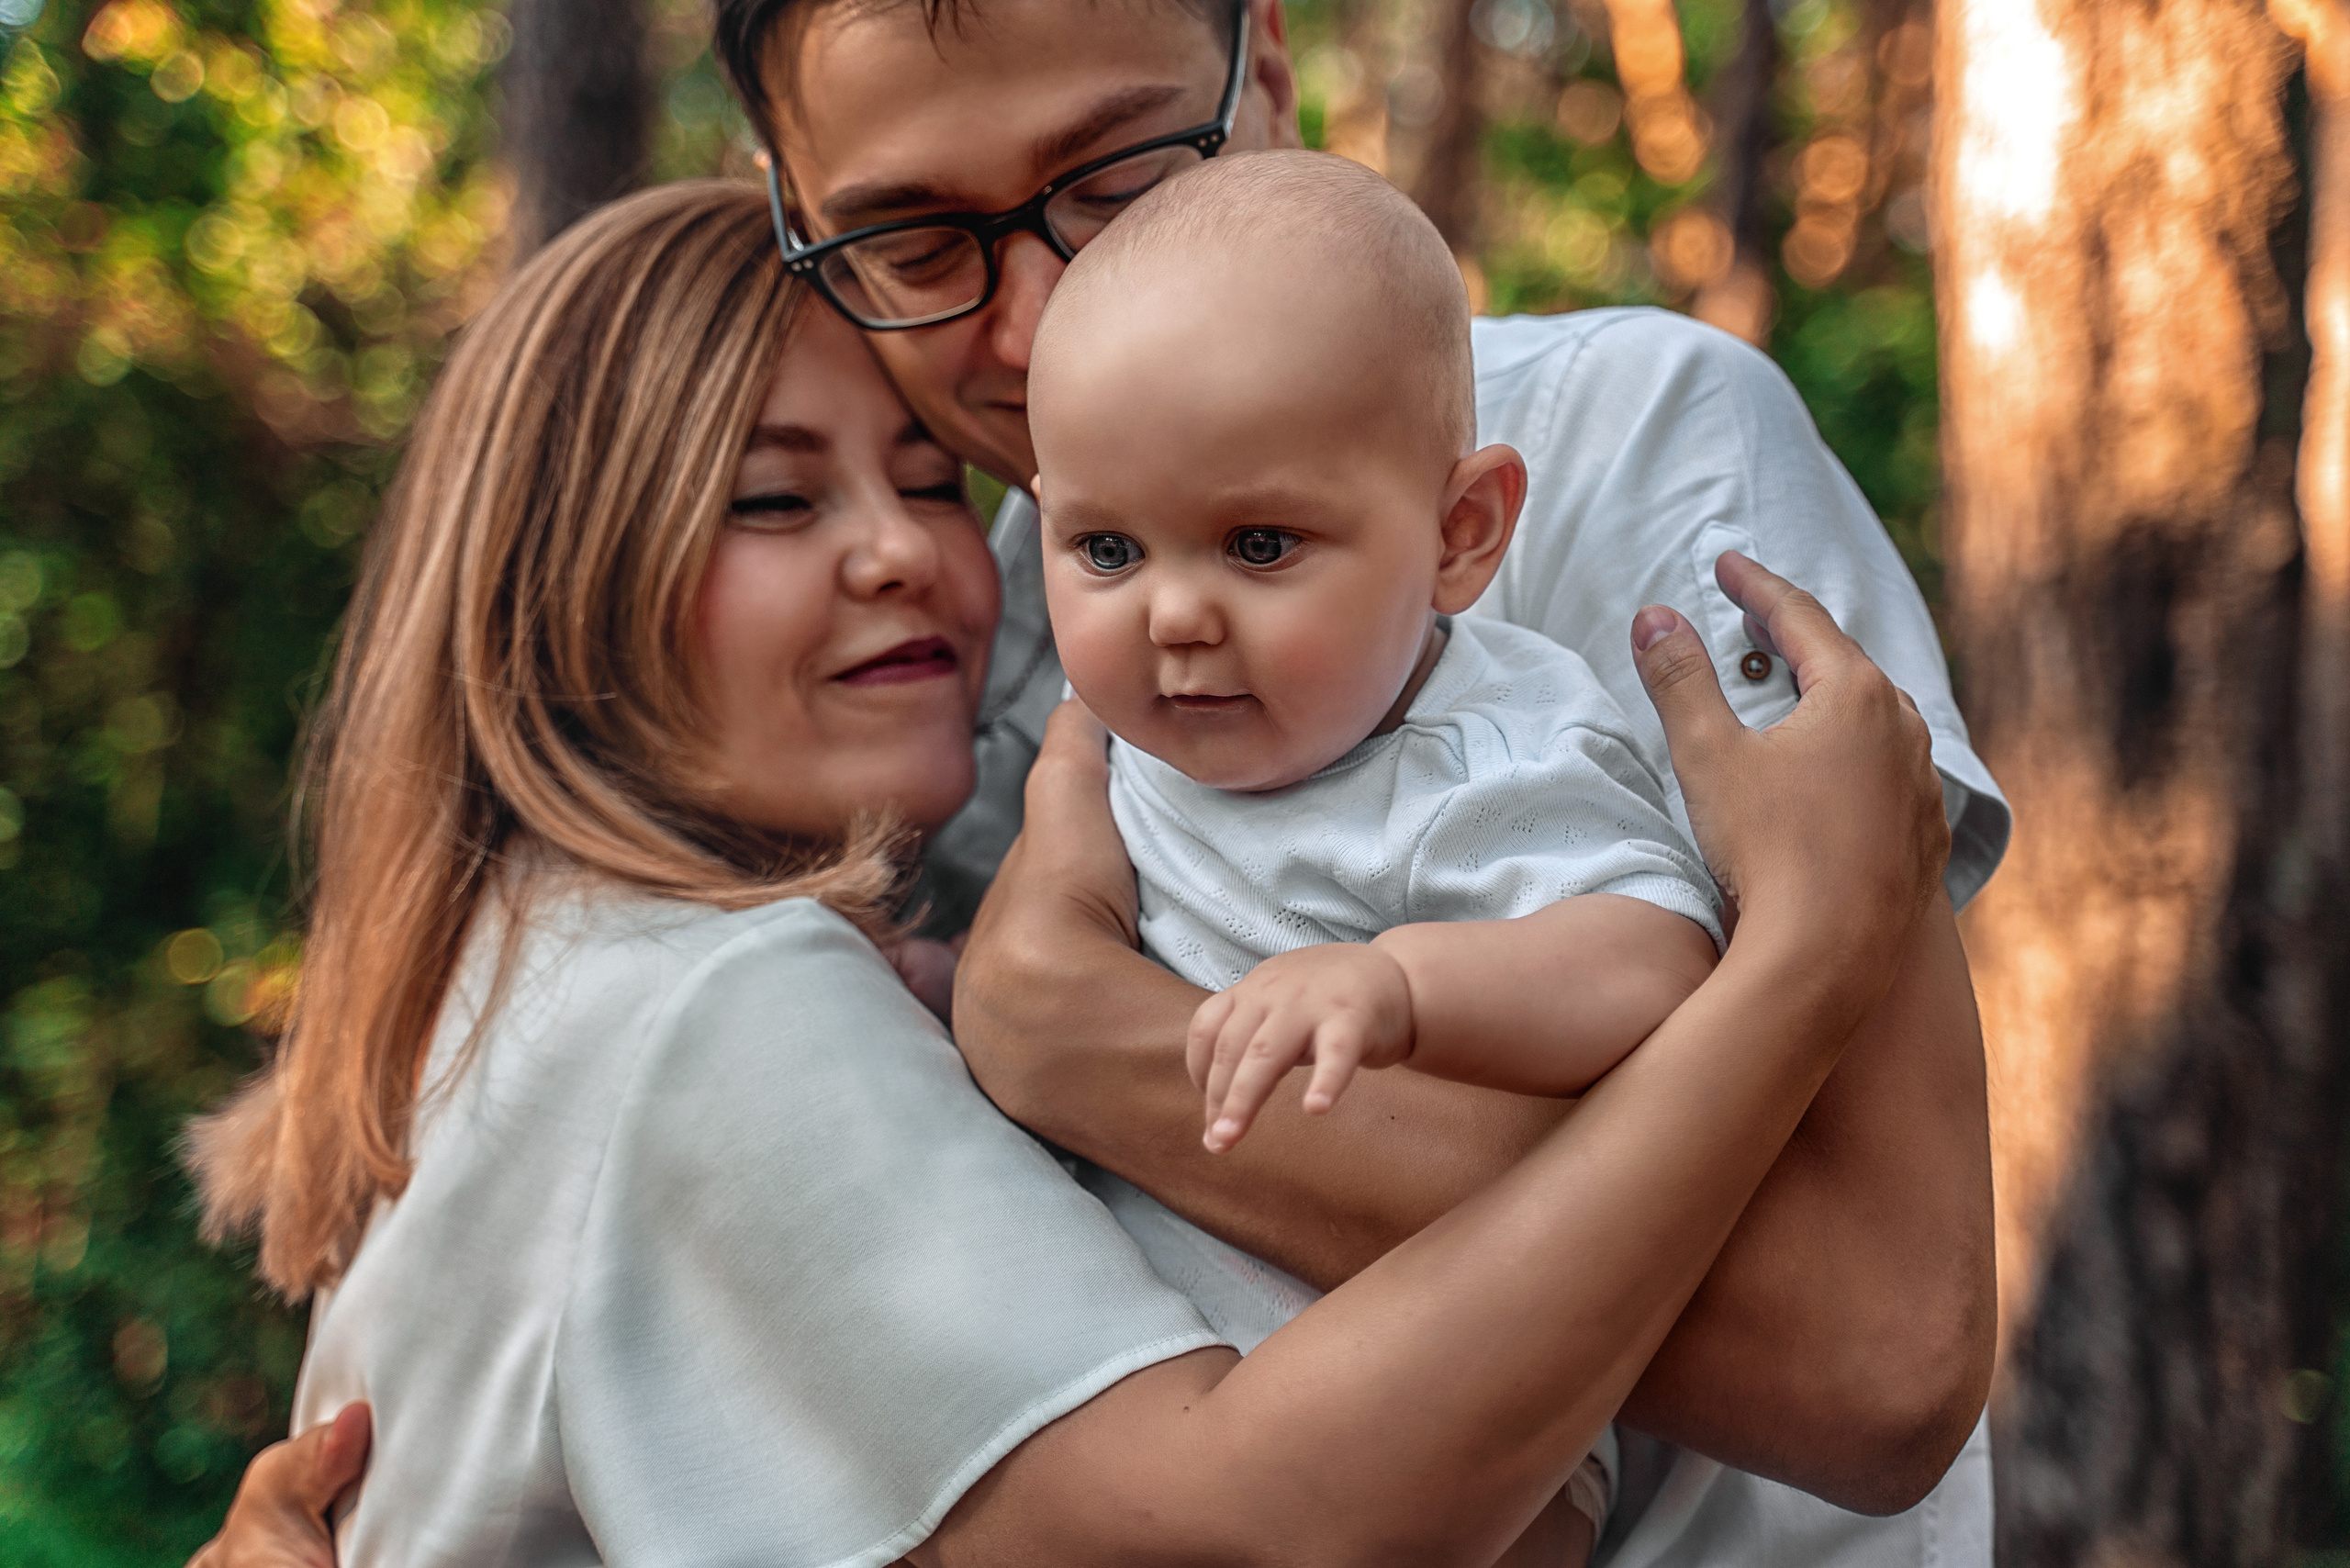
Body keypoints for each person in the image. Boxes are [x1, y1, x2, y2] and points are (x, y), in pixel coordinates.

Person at [207, 0, 2003, 1557]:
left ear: (1269, 70)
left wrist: (1092, 1048)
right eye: (912, 240)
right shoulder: (955, 688)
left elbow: (1872, 1357)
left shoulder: (1632, 448)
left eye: (1123, 173)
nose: (1034, 315)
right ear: (802, 219)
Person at [1029, 152, 1722, 1157]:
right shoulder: (1131, 715)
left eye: (1260, 544)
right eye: (1108, 549)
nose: (1172, 616)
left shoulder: (1488, 758)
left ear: (1461, 533)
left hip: (1405, 1286)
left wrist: (1402, 986)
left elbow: (1654, 958)